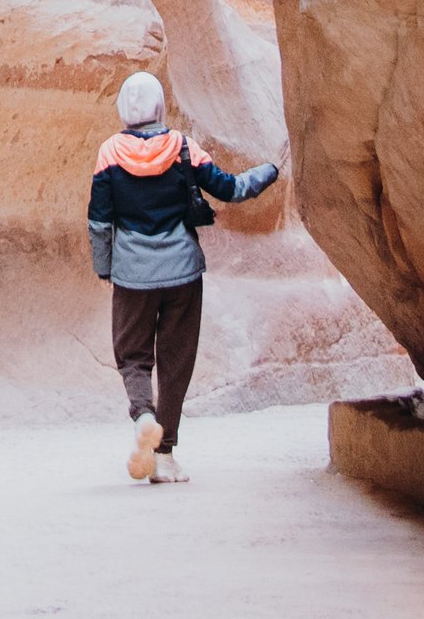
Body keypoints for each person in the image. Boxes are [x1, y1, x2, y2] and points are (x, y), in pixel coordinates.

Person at [87, 70, 280, 483]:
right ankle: (166, 454)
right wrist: (270, 170)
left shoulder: (109, 153)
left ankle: (143, 415)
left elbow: (99, 222)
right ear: (158, 105)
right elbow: (230, 189)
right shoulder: (183, 148)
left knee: (133, 356)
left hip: (133, 274)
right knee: (175, 361)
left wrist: (105, 267)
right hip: (183, 273)